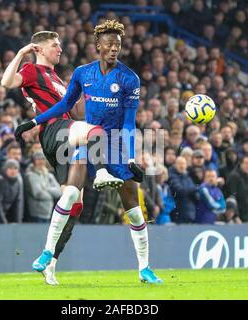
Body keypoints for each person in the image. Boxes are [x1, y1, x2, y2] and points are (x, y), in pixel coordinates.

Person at [15, 20, 162, 284]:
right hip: (88, 141)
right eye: (109, 44)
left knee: (134, 209)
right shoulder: (83, 73)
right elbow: (65, 105)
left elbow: (129, 122)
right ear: (98, 46)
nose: (114, 49)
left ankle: (145, 268)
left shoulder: (130, 79)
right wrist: (35, 121)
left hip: (115, 144)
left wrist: (130, 158)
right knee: (71, 193)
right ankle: (47, 253)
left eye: (117, 44)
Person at [1, 30, 122, 285]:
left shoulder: (56, 77)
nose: (60, 49)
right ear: (41, 49)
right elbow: (6, 83)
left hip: (64, 134)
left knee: (73, 201)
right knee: (95, 133)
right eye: (55, 45)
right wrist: (22, 54)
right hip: (55, 131)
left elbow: (73, 108)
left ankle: (49, 260)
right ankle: (100, 173)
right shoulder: (33, 71)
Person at [24, 151, 62, 223]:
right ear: (34, 161)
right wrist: (51, 196)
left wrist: (46, 188)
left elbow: (59, 192)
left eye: (42, 159)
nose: (40, 162)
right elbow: (38, 193)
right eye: (38, 159)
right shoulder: (31, 175)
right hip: (36, 213)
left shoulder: (49, 175)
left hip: (48, 213)